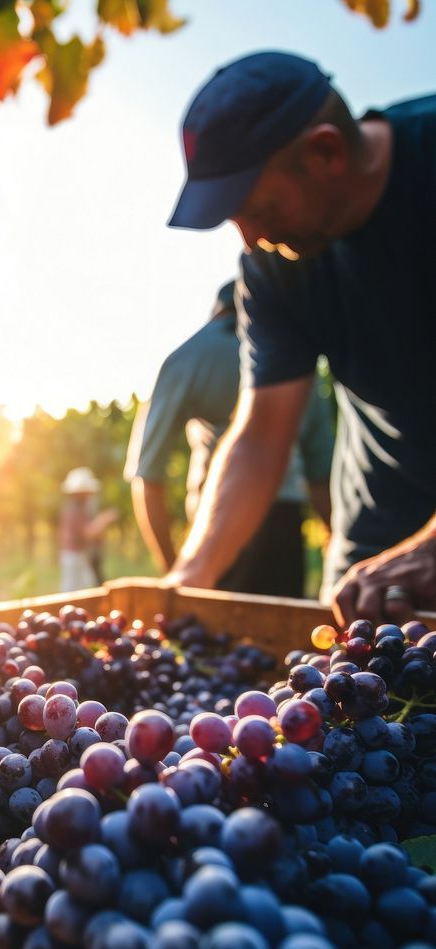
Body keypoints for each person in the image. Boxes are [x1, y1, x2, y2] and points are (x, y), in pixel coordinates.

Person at [165, 50, 436, 626]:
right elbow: (263, 435)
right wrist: (193, 572)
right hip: (374, 570)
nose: (251, 237)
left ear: (326, 152)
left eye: (257, 208)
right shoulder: (273, 263)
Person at [124, 279, 334, 596]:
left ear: (216, 310)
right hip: (284, 525)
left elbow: (148, 475)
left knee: (213, 641)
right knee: (280, 637)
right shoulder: (297, 362)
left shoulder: (187, 357)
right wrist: (336, 546)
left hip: (217, 524)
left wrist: (175, 569)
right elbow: (321, 475)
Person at [58, 467, 118, 592]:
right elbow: (87, 533)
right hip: (74, 554)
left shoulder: (81, 507)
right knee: (72, 590)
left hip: (79, 553)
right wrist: (104, 519)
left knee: (81, 588)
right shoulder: (75, 509)